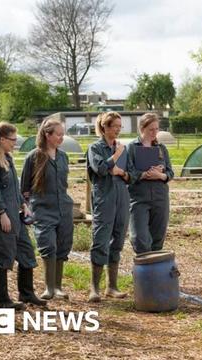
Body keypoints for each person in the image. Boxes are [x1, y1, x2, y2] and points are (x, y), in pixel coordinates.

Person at [0, 122, 46, 308]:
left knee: (26, 253)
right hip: (2, 219)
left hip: (15, 217)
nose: (15, 143)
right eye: (12, 140)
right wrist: (1, 213)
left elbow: (13, 188)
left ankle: (26, 294)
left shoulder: (8, 159)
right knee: (3, 257)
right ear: (1, 139)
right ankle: (2, 301)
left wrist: (23, 205)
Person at [20, 119, 74, 300]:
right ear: (47, 135)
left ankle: (58, 287)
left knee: (63, 246)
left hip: (64, 209)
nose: (61, 137)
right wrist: (25, 207)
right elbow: (24, 187)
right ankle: (48, 288)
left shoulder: (63, 156)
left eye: (62, 134)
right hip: (42, 209)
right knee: (48, 245)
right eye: (58, 134)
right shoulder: (34, 157)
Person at [86, 112, 130, 302]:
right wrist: (115, 157)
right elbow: (101, 169)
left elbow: (131, 173)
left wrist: (123, 173)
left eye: (120, 126)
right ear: (104, 127)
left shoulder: (122, 148)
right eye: (115, 126)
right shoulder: (95, 148)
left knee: (118, 240)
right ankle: (94, 288)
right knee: (101, 240)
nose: (118, 130)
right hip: (104, 198)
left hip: (122, 197)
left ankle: (112, 286)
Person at [125, 113, 174, 254]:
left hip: (160, 197)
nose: (154, 133)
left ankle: (153, 273)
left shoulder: (162, 148)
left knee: (158, 237)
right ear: (142, 128)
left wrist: (161, 175)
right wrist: (144, 174)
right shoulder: (132, 148)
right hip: (139, 197)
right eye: (151, 129)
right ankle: (142, 270)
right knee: (139, 237)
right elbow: (128, 172)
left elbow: (170, 173)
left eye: (156, 129)